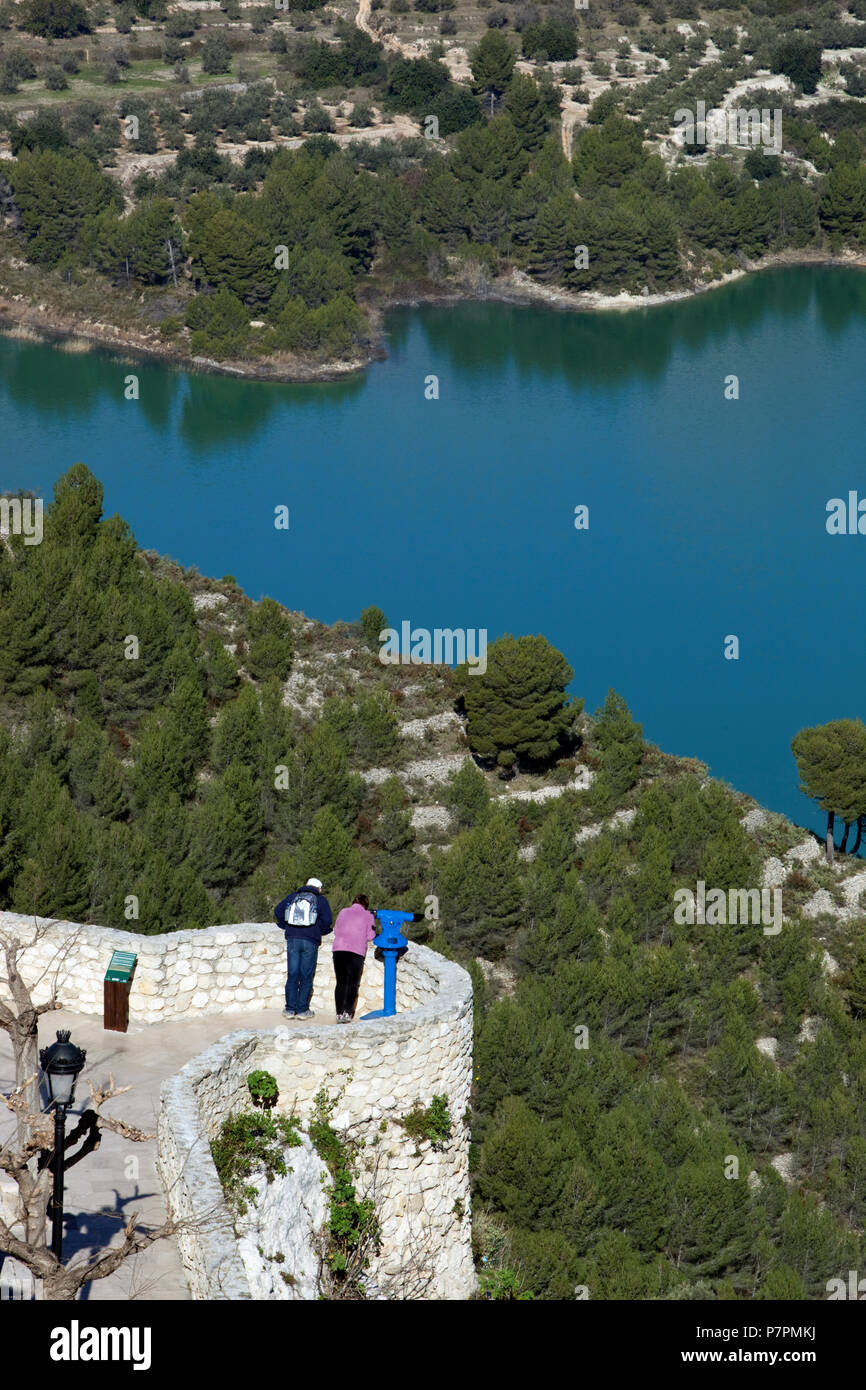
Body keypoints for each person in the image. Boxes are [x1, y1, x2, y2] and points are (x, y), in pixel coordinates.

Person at [274, 876, 332, 1019]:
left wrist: (286, 925)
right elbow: (327, 921)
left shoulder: (294, 896)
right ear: (319, 889)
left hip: (293, 938)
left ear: (306, 885)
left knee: (293, 974)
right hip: (310, 940)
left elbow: (278, 911)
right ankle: (302, 1010)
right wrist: (318, 930)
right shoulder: (320, 900)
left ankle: (289, 1009)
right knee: (306, 975)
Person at [331, 894, 377, 1023]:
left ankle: (339, 1013)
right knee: (352, 983)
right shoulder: (368, 915)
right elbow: (370, 935)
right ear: (366, 904)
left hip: (339, 950)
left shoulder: (343, 911)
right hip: (356, 952)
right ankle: (347, 1013)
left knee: (340, 983)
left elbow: (336, 930)